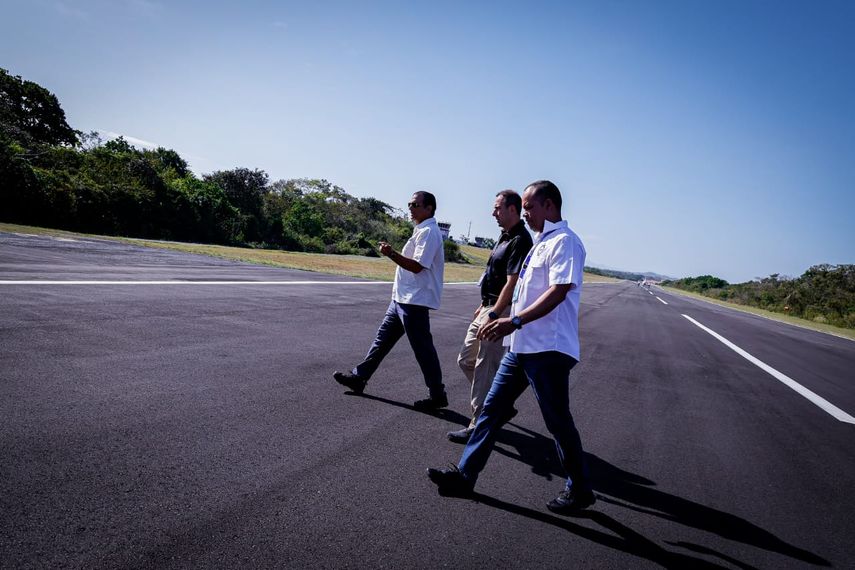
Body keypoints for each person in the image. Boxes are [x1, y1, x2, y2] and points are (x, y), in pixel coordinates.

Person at [427, 180, 595, 514]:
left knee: (557, 421)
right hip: (521, 347)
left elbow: (559, 290)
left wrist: (514, 321)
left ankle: (580, 490)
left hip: (548, 349)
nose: (526, 214)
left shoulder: (565, 242)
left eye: (530, 207)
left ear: (549, 206)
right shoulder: (541, 242)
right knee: (491, 409)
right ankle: (465, 475)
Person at [333, 191, 448, 410]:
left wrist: (391, 253)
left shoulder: (430, 232)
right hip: (401, 299)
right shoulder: (421, 230)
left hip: (414, 301)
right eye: (409, 204)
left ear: (429, 208)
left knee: (423, 350)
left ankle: (437, 395)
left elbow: (417, 265)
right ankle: (360, 377)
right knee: (381, 341)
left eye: (415, 204)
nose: (410, 208)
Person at [448, 190, 533, 443]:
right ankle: (498, 405)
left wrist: (495, 312)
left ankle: (478, 424)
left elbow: (513, 282)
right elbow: (492, 275)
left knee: (485, 367)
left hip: (499, 309)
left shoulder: (520, 239)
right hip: (487, 306)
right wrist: (482, 304)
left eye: (497, 208)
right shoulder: (504, 236)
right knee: (466, 360)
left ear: (512, 209)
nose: (492, 213)